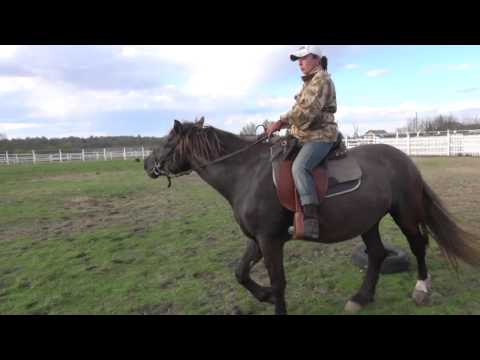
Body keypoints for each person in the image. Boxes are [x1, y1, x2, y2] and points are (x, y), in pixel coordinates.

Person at [267, 45, 338, 240]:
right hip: (305, 134)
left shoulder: (321, 79)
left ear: (316, 58)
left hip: (320, 135)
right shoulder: (309, 82)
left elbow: (305, 111)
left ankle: (311, 221)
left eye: (303, 58)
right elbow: (298, 110)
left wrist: (281, 121)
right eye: (298, 59)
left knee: (299, 167)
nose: (300, 62)